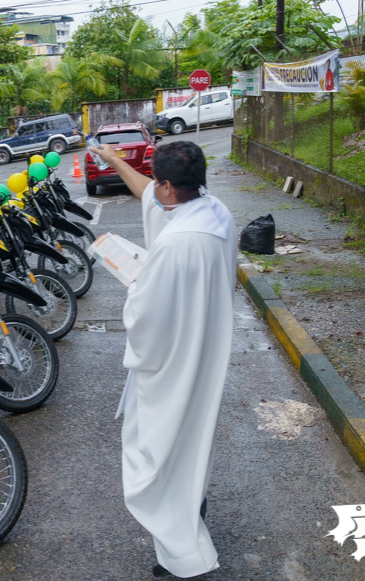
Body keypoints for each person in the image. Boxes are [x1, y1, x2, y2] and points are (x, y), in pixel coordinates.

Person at [89, 140, 236, 579]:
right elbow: (149, 198)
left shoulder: (176, 245)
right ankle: (191, 520)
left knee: (160, 452)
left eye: (158, 180)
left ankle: (182, 551)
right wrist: (114, 160)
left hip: (173, 360)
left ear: (170, 185)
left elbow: (145, 316)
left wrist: (134, 278)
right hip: (205, 346)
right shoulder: (215, 213)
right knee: (192, 444)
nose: (153, 187)